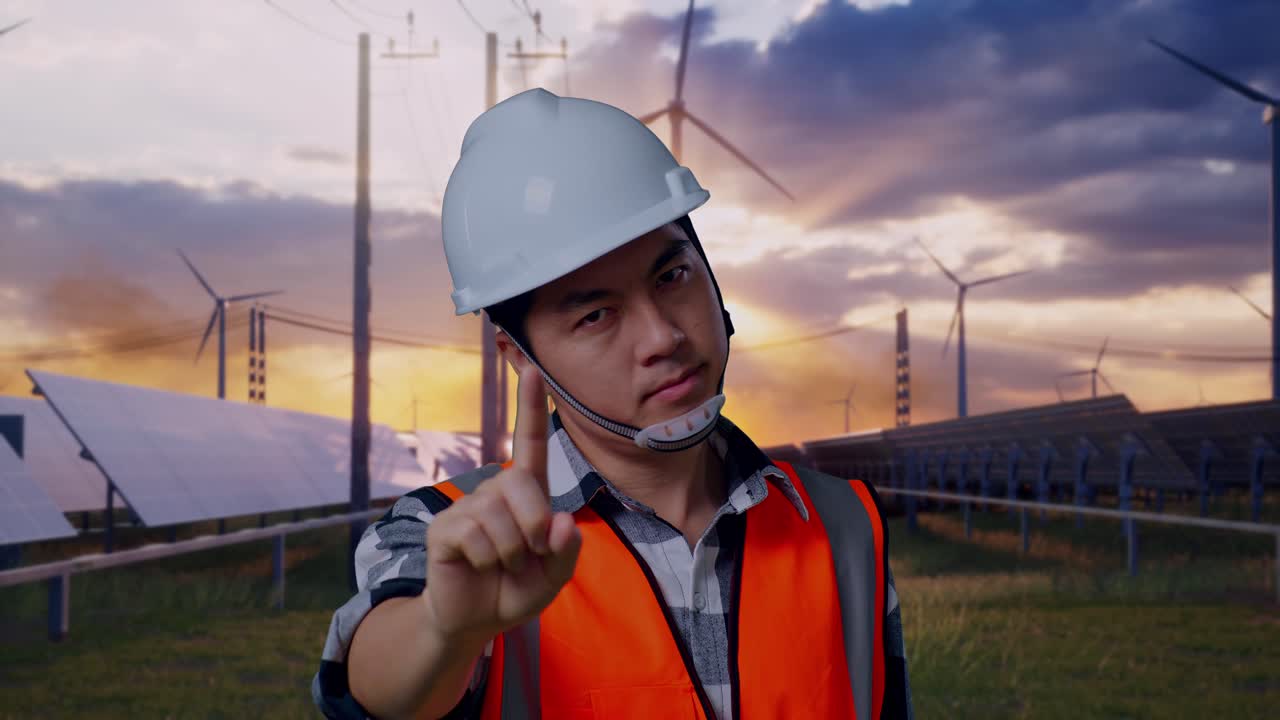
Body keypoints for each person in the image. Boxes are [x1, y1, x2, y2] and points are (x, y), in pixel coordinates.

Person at [313, 88, 913, 720]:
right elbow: (379, 686)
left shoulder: (845, 524)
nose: (663, 337)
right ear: (520, 356)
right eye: (597, 315)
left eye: (672, 277)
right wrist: (444, 628)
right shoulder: (451, 535)